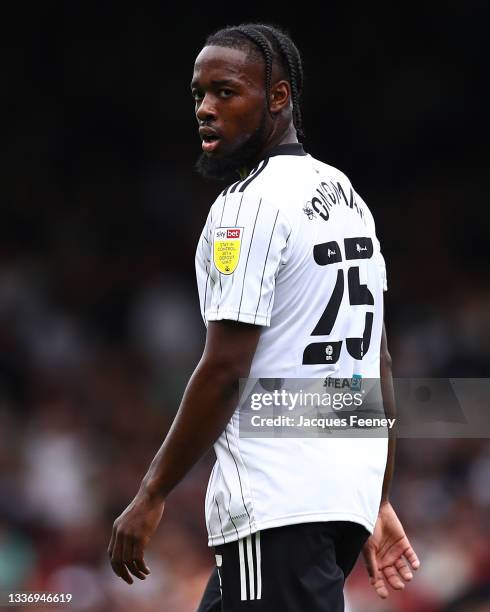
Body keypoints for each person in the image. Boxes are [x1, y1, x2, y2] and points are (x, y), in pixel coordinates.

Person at [108, 23, 420, 611]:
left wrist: (151, 492)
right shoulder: (346, 195)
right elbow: (375, 360)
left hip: (278, 503)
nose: (205, 108)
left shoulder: (247, 205)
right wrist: (374, 497)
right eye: (198, 94)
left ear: (278, 98)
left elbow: (225, 368)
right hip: (333, 501)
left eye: (226, 92)